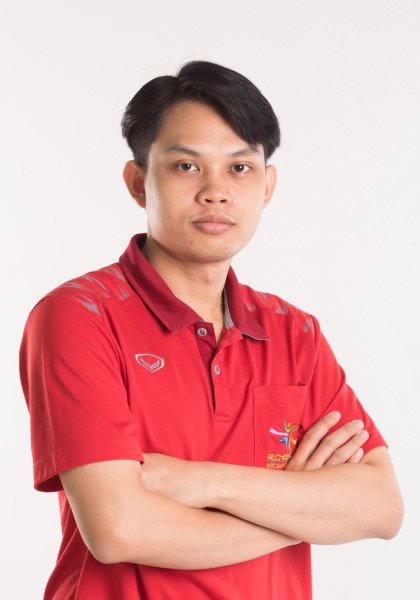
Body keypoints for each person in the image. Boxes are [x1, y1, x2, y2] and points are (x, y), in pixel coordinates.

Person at [20, 61, 403, 600]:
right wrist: (302, 509)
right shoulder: (80, 316)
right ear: (137, 182)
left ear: (267, 185)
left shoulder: (294, 333)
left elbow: (381, 507)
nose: (216, 192)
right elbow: (118, 528)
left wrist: (195, 480)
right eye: (186, 166)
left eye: (240, 168)